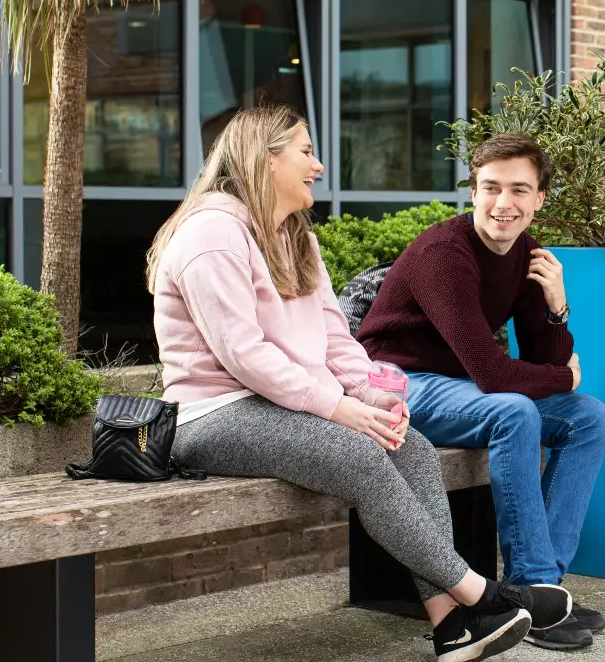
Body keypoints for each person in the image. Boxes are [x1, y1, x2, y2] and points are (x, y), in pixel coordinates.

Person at [147, 106, 574, 662]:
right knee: (361, 457)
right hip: (212, 414)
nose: (317, 166)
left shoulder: (293, 235)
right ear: (265, 158)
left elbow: (333, 337)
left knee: (411, 448)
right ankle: (481, 594)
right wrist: (336, 408)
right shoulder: (212, 233)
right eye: (305, 152)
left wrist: (372, 397)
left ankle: (451, 628)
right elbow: (243, 354)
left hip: (279, 407)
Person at [358, 134, 605, 652]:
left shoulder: (526, 256)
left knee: (591, 417)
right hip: (396, 382)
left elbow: (542, 358)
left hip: (460, 385)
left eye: (519, 190)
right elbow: (496, 375)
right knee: (513, 411)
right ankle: (532, 592)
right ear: (472, 191)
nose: (503, 204)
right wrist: (564, 379)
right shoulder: (443, 253)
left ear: (539, 198)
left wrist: (556, 305)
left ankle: (545, 590)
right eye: (491, 187)